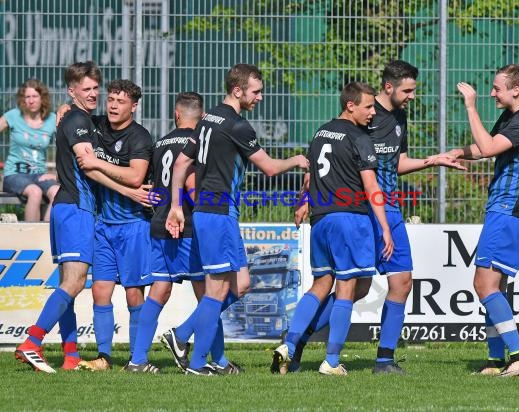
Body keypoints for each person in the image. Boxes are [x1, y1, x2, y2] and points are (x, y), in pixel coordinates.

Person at [290, 60, 464, 374]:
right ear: (388, 87)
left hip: (389, 207)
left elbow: (398, 162)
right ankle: (298, 342)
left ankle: (384, 359)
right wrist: (305, 198)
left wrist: (432, 160)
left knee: (402, 282)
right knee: (355, 288)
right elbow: (324, 163)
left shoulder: (399, 117)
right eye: (407, 90)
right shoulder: (363, 115)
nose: (412, 96)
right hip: (358, 210)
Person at [166, 63, 308, 375]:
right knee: (216, 292)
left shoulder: (207, 119)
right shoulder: (237, 125)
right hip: (218, 214)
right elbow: (269, 168)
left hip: (210, 213)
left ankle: (184, 335)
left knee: (240, 284)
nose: (260, 97)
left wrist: (177, 206)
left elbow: (180, 164)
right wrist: (297, 160)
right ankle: (195, 359)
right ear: (237, 90)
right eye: (256, 91)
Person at [272, 82, 394, 375]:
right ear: (350, 106)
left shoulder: (320, 133)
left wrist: (303, 203)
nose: (373, 112)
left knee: (324, 284)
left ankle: (289, 343)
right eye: (368, 106)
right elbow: (371, 185)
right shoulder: (359, 138)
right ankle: (332, 360)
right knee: (347, 288)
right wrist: (385, 227)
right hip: (349, 218)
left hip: (322, 219)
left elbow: (309, 177)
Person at [443, 65, 519, 377]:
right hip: (504, 209)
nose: (491, 93)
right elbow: (488, 147)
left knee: (482, 284)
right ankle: (496, 359)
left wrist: (471, 106)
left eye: (497, 88)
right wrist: (457, 152)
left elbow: (487, 147)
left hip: (508, 210)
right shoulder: (514, 116)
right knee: (495, 286)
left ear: (516, 90)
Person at [14, 62, 102, 373]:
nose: (92, 94)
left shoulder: (78, 117)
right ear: (72, 90)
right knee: (75, 282)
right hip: (75, 208)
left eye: (95, 88)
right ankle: (32, 343)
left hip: (68, 207)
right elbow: (87, 163)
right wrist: (130, 187)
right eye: (85, 88)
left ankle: (71, 357)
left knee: (69, 284)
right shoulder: (77, 119)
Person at [74, 80, 154, 371]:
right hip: (103, 225)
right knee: (100, 291)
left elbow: (135, 177)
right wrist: (62, 109)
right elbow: (73, 115)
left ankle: (138, 358)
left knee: (134, 294)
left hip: (134, 226)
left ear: (134, 106)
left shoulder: (140, 137)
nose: (112, 105)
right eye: (111, 99)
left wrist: (96, 163)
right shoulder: (97, 125)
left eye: (120, 101)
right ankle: (104, 357)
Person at [125, 92, 206, 373]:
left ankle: (137, 360)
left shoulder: (160, 143)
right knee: (210, 294)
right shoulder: (195, 144)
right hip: (185, 225)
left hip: (159, 224)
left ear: (176, 113)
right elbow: (192, 185)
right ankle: (213, 360)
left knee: (159, 290)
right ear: (202, 117)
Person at [0, 79, 59, 222]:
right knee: (35, 192)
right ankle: (30, 239)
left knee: (57, 192)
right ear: (22, 99)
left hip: (39, 174)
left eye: (35, 96)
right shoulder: (13, 115)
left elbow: (67, 147)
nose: (31, 101)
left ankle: (46, 238)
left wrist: (57, 174)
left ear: (42, 98)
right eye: (27, 97)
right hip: (14, 174)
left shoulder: (52, 119)